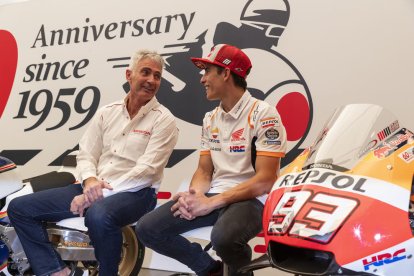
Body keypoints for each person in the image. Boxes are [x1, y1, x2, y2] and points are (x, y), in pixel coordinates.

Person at [8, 49, 178, 276]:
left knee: (98, 215)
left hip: (138, 193)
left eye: (157, 76)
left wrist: (96, 193)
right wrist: (89, 181)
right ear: (129, 75)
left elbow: (147, 171)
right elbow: (86, 153)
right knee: (19, 208)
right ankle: (54, 270)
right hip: (93, 187)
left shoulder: (164, 119)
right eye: (145, 72)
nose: (151, 80)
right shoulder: (107, 113)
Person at [136, 44, 287, 276]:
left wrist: (210, 203)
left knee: (224, 239)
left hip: (253, 199)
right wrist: (194, 195)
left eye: (207, 71)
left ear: (226, 73)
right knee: (147, 228)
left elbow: (265, 181)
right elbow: (204, 171)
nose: (202, 79)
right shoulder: (210, 118)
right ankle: (210, 270)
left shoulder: (264, 114)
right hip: (216, 195)